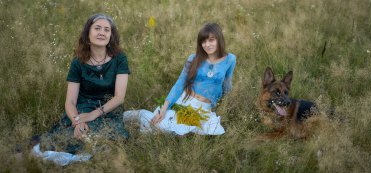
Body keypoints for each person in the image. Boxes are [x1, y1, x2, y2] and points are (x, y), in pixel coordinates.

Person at [32, 14, 130, 166]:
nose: (102, 33)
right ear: (88, 33)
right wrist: (77, 121)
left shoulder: (120, 58)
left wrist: (92, 115)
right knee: (70, 136)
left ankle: (90, 153)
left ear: (111, 36)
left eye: (106, 30)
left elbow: (119, 97)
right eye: (97, 28)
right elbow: (70, 101)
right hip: (82, 108)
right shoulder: (78, 62)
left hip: (108, 108)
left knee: (108, 136)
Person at [123, 22, 236, 135]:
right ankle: (139, 114)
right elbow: (179, 84)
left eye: (211, 40)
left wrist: (226, 105)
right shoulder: (194, 59)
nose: (207, 44)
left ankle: (145, 117)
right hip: (185, 101)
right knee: (158, 126)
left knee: (206, 132)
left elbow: (227, 84)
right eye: (204, 41)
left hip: (204, 108)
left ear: (219, 39)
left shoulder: (230, 59)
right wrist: (164, 108)